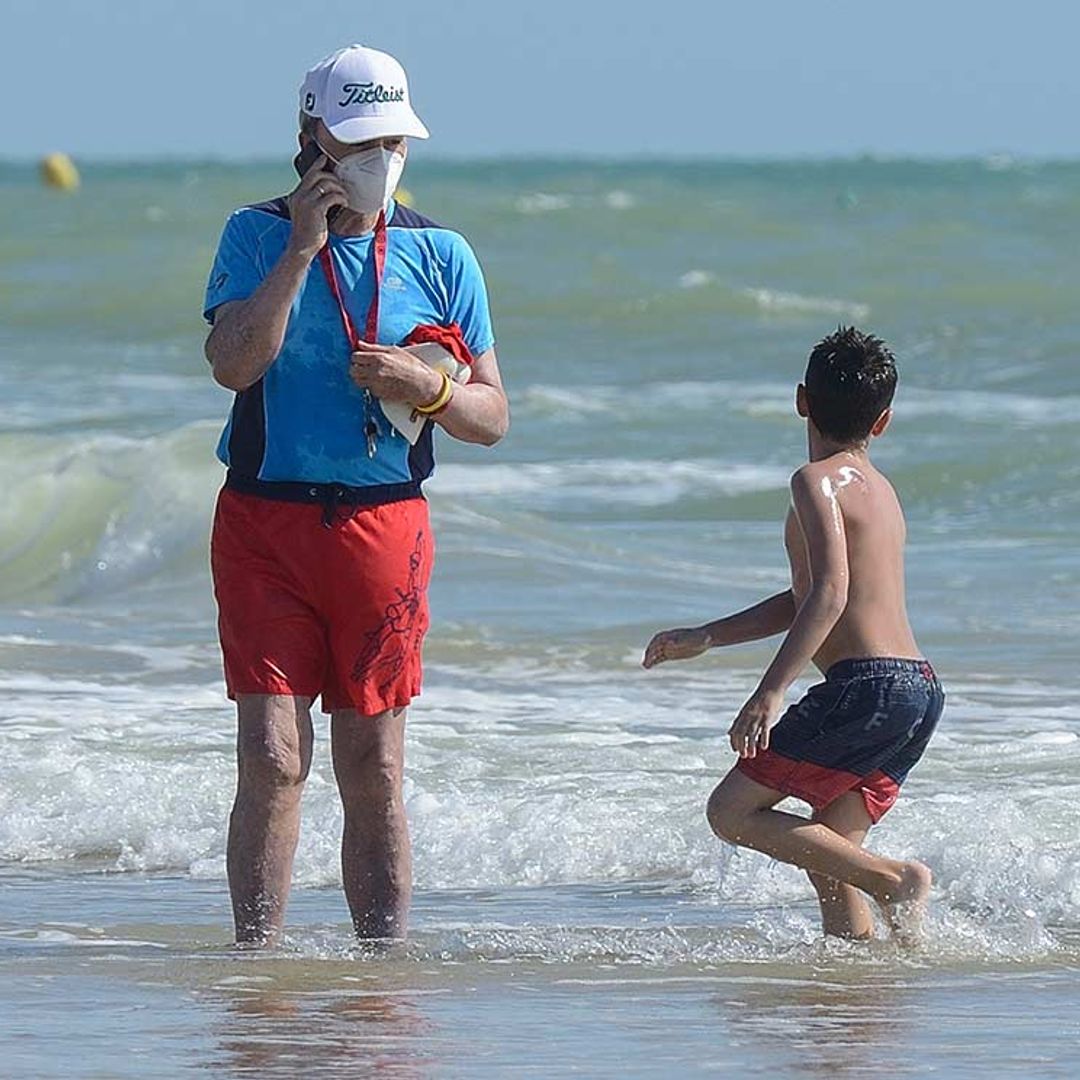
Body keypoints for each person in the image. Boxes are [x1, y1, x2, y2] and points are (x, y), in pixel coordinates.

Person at [202, 44, 509, 944]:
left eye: (394, 141)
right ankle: (254, 963)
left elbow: (492, 417)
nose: (382, 159)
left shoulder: (441, 251)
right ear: (313, 139)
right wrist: (301, 250)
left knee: (371, 763)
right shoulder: (252, 233)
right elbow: (232, 365)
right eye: (362, 140)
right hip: (264, 520)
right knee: (272, 756)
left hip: (383, 529)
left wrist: (431, 389)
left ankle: (383, 965)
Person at [643, 327, 943, 942]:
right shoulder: (882, 491)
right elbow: (809, 597)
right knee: (830, 847)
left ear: (801, 399)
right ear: (882, 421)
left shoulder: (814, 481)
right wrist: (708, 635)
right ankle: (856, 981)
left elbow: (829, 594)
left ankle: (894, 882)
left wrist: (770, 691)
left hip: (866, 687)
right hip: (917, 690)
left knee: (730, 813)